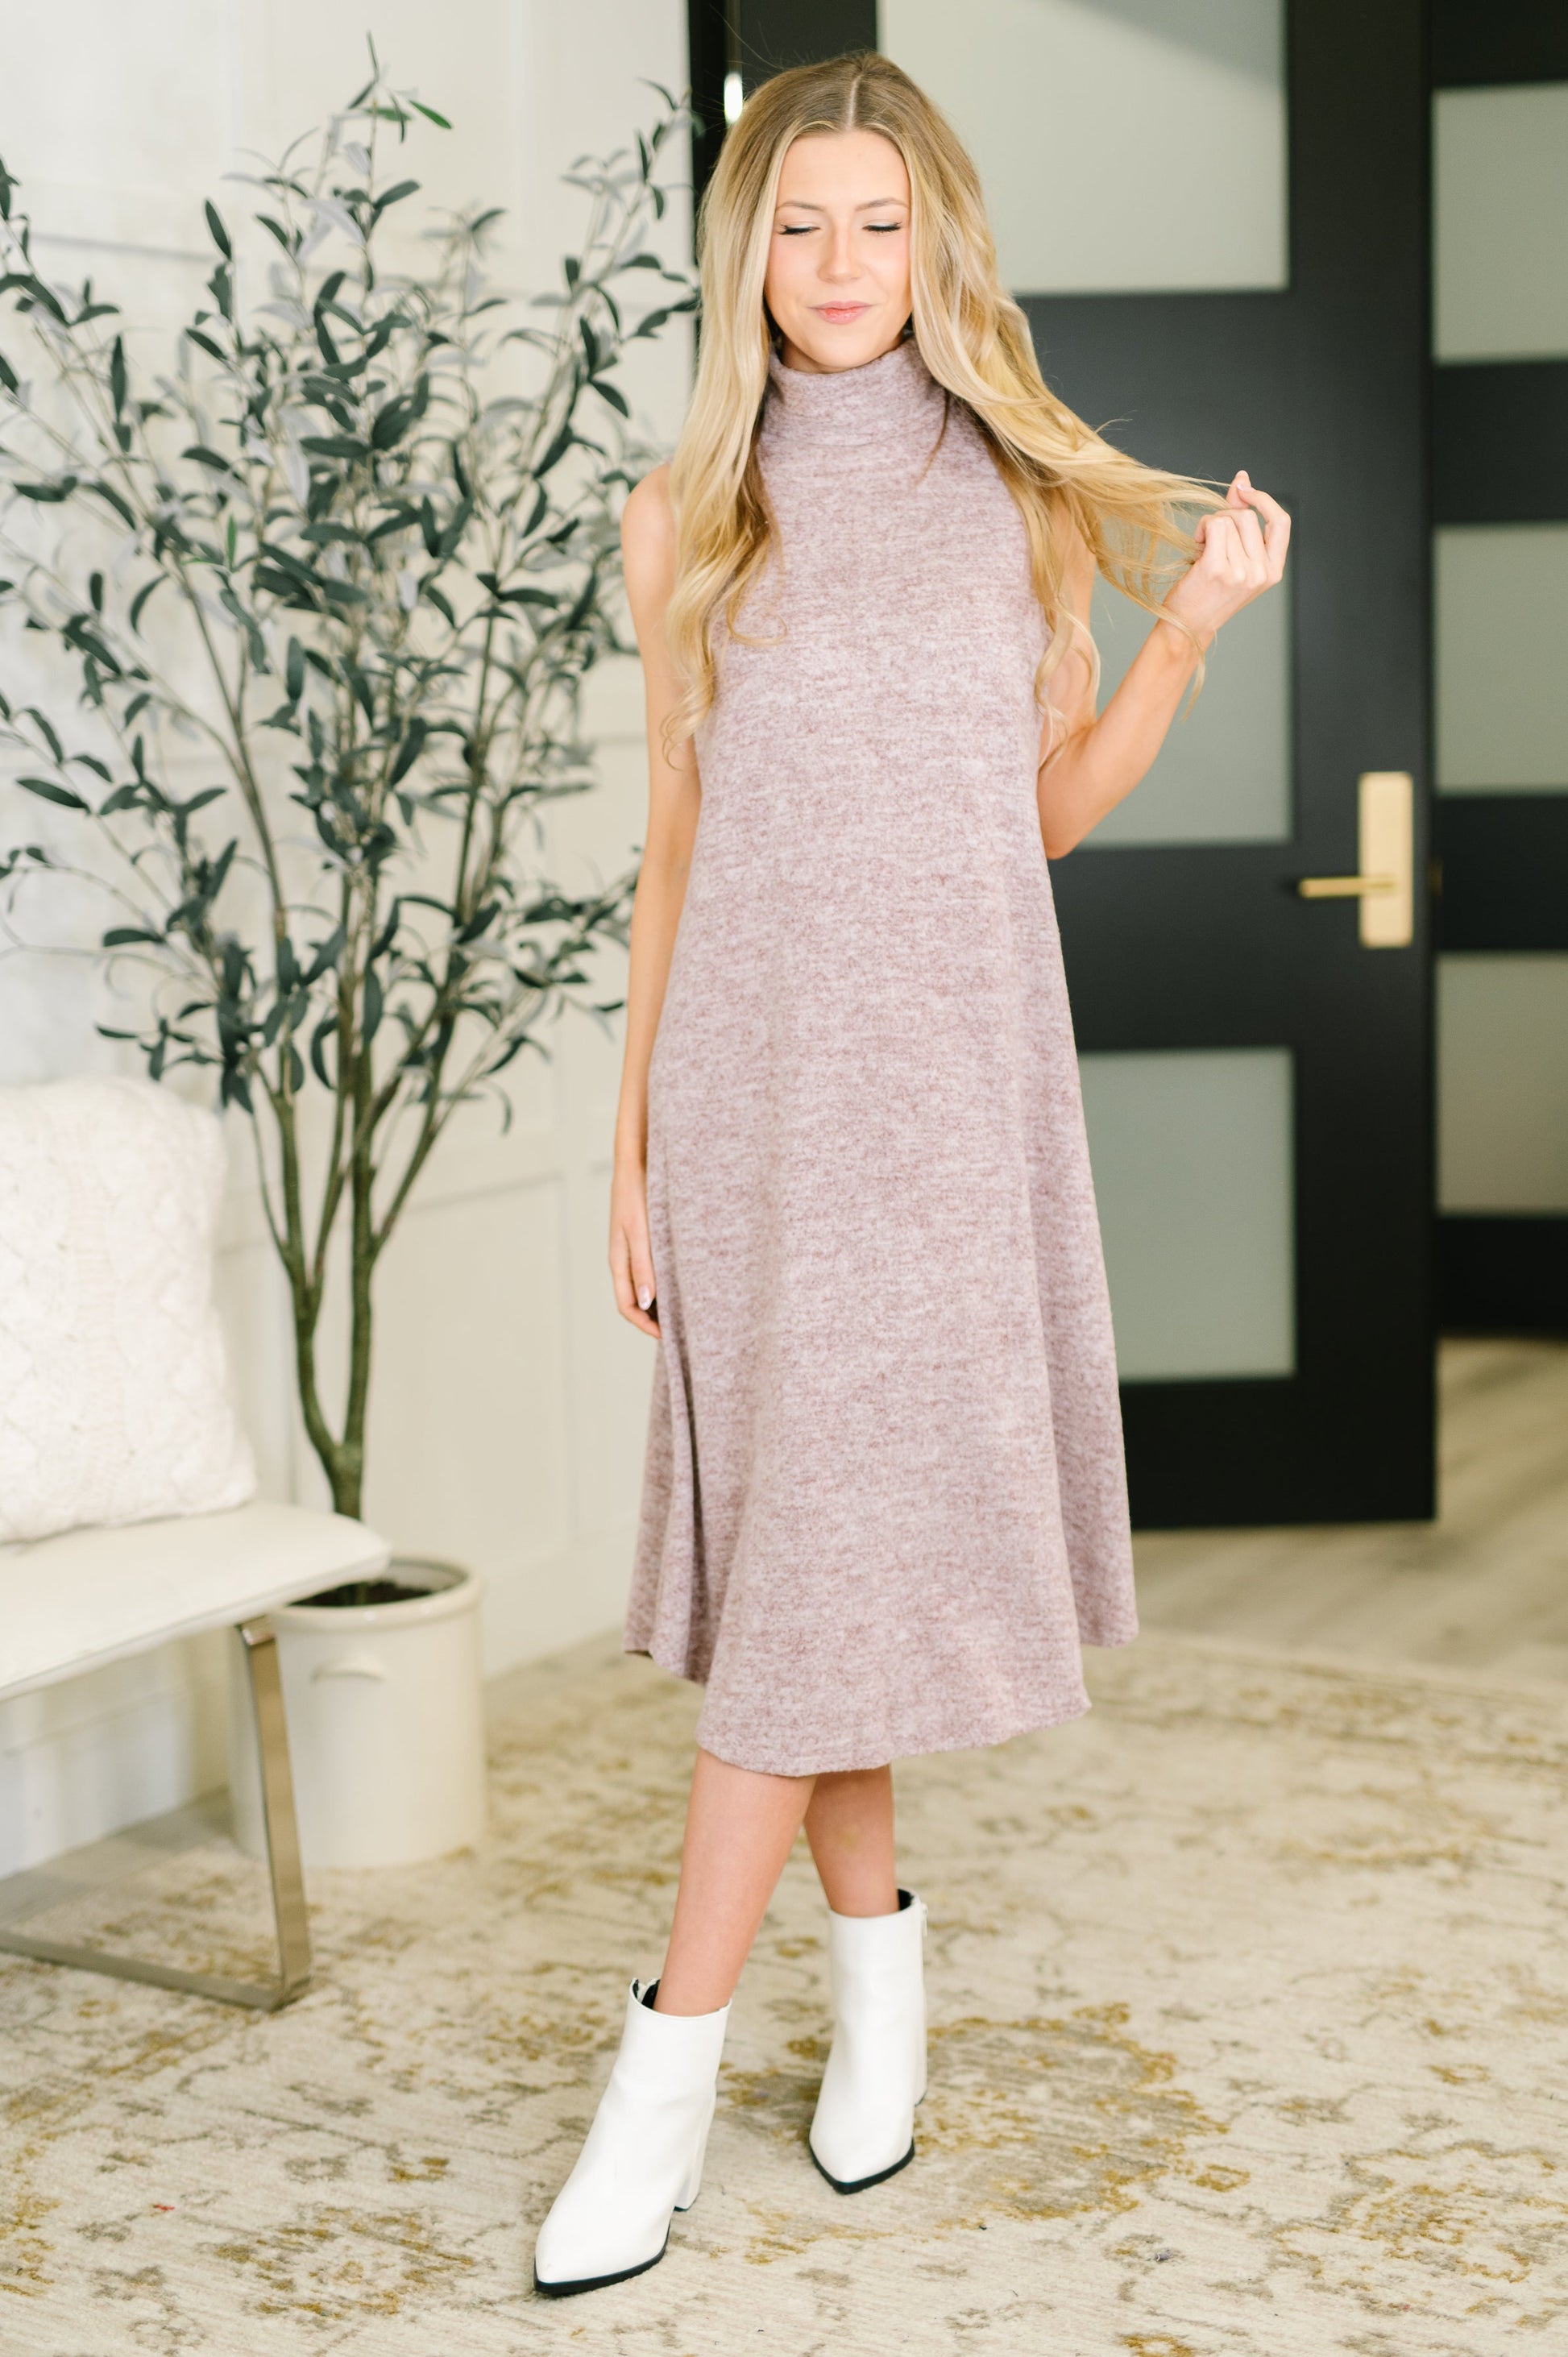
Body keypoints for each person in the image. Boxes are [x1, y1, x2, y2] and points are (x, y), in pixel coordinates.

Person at [533, 50, 1288, 2297]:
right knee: (815, 1562)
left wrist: (1184, 635)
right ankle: (877, 1998)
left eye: (877, 222)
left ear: (936, 240)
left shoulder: (1017, 495)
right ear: (746, 249)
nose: (839, 263)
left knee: (815, 1575)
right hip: (752, 1107)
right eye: (798, 223)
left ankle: (663, 2075)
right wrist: (630, 1138)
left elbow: (1029, 818)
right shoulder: (685, 516)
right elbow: (676, 852)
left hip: (949, 1105)